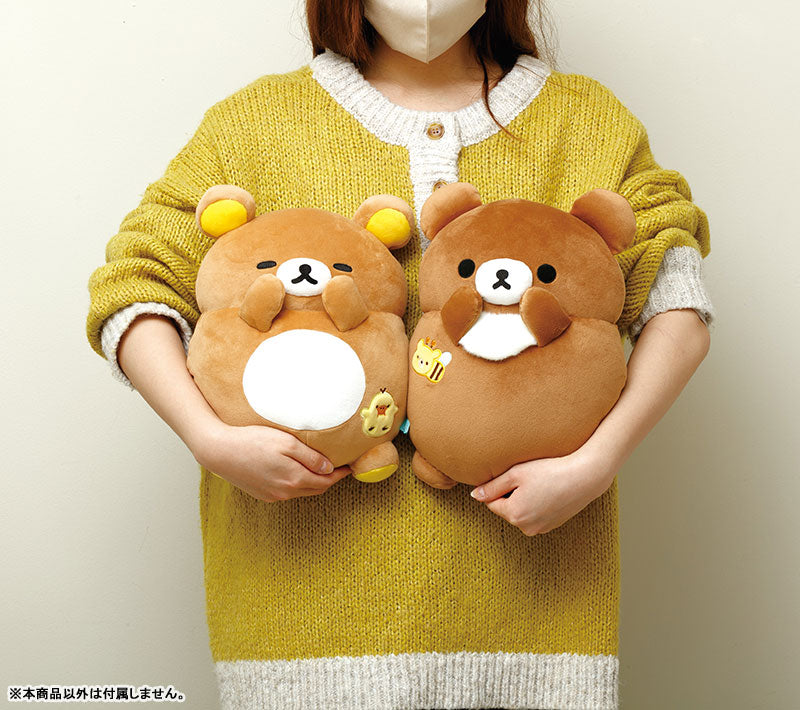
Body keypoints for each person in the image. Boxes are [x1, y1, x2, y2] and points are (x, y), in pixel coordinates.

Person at [85, 1, 715, 708]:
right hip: (298, 612)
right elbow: (134, 285)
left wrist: (595, 465)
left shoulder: (589, 122)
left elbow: (679, 305)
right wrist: (208, 438)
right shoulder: (250, 125)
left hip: (536, 612)